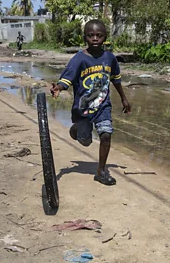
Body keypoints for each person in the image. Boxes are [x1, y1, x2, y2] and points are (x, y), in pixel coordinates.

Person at [50, 19, 131, 186]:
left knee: (106, 135)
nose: (95, 39)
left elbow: (115, 79)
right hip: (83, 109)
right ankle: (77, 129)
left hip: (103, 106)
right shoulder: (79, 59)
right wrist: (59, 87)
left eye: (99, 35)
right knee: (85, 141)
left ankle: (101, 172)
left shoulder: (109, 58)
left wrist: (123, 98)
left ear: (105, 37)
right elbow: (67, 78)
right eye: (91, 35)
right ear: (85, 37)